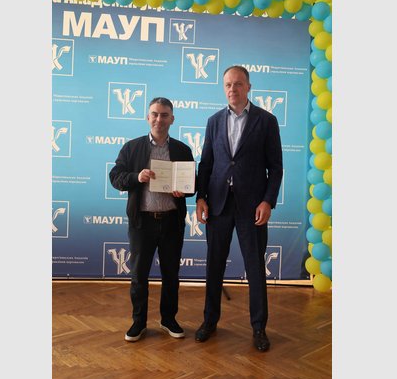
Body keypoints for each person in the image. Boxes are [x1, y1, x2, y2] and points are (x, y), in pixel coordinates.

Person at [194, 66, 283, 352]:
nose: (233, 89)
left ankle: (259, 328)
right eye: (228, 85)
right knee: (214, 266)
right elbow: (206, 163)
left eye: (238, 84)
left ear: (248, 87)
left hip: (252, 206)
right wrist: (200, 197)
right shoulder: (214, 121)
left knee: (255, 268)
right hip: (218, 204)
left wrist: (268, 200)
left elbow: (276, 168)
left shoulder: (266, 121)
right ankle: (210, 321)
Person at [109, 97, 195, 342]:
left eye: (164, 115)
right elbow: (115, 177)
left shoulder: (182, 149)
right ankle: (138, 322)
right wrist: (137, 177)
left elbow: (192, 185)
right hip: (142, 223)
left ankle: (168, 319)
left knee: (171, 274)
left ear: (172, 119)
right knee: (139, 275)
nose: (159, 119)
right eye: (155, 114)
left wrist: (184, 191)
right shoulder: (131, 147)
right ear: (148, 117)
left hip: (171, 222)